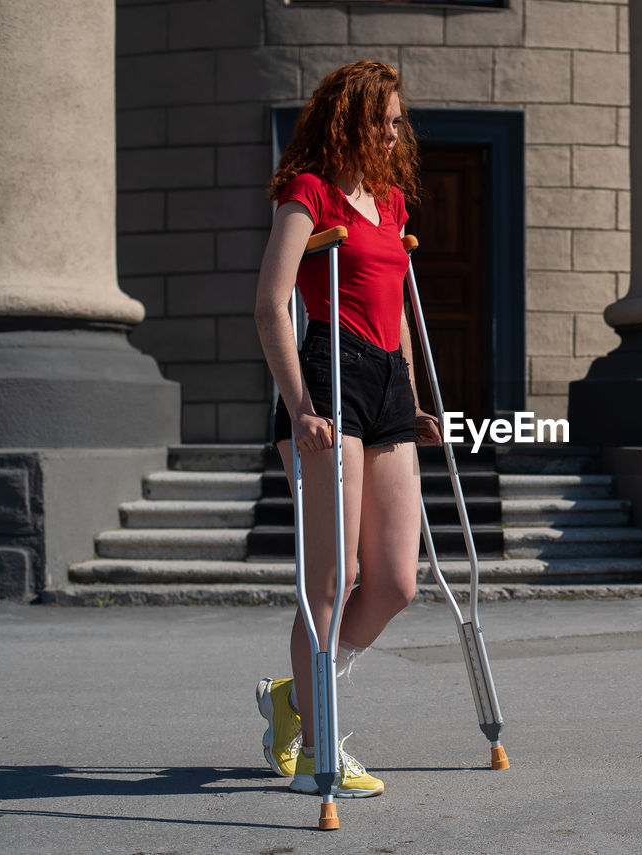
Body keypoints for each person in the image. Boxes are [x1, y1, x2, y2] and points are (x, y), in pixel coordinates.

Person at [252, 60, 442, 799]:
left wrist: (416, 396)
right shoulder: (308, 192)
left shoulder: (391, 203)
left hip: (388, 381)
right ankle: (320, 750)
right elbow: (271, 304)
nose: (395, 133)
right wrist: (299, 407)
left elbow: (394, 308)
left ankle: (295, 699)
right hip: (327, 377)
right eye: (384, 120)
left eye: (399, 122)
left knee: (395, 580)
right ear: (350, 119)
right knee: (332, 578)